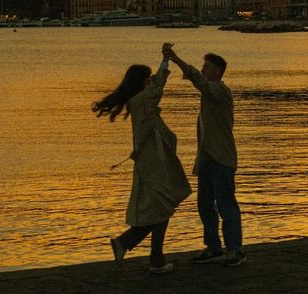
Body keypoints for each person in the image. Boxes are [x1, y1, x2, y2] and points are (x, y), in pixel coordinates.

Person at [92, 43, 191, 274]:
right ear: (141, 82)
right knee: (163, 209)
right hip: (152, 165)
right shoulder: (142, 101)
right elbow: (158, 86)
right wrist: (166, 60)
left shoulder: (139, 102)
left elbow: (155, 84)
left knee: (161, 209)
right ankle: (149, 256)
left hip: (154, 162)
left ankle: (132, 246)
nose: (151, 80)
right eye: (147, 78)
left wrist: (165, 60)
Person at [164, 46, 245, 267]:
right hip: (208, 158)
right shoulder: (210, 93)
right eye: (203, 66)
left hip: (222, 159)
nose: (202, 69)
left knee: (226, 205)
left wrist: (175, 59)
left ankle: (235, 250)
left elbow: (197, 80)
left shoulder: (220, 91)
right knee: (205, 205)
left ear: (217, 71)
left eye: (206, 67)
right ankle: (214, 247)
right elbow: (198, 80)